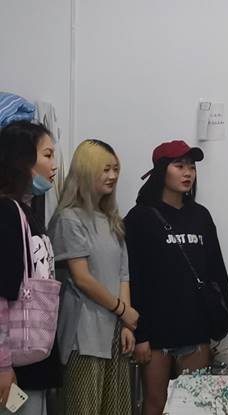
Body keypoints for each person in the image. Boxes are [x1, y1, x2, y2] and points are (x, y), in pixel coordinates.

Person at [125, 140, 228, 415]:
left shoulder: (201, 216)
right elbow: (133, 278)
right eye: (179, 165)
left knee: (194, 404)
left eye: (192, 167)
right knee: (155, 403)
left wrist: (223, 315)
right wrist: (140, 335)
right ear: (162, 170)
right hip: (155, 332)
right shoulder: (139, 218)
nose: (188, 173)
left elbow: (215, 269)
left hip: (195, 329)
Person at [48, 139, 138, 415]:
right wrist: (123, 310)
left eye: (115, 169)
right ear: (86, 171)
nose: (113, 176)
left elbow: (123, 274)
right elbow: (82, 278)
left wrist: (126, 324)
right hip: (83, 337)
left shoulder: (111, 220)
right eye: (105, 169)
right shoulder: (69, 219)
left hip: (114, 336)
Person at [0, 121, 62, 415]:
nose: (54, 165)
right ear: (21, 160)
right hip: (13, 362)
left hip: (34, 357)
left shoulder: (27, 211)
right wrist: (2, 365)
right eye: (47, 155)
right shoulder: (6, 212)